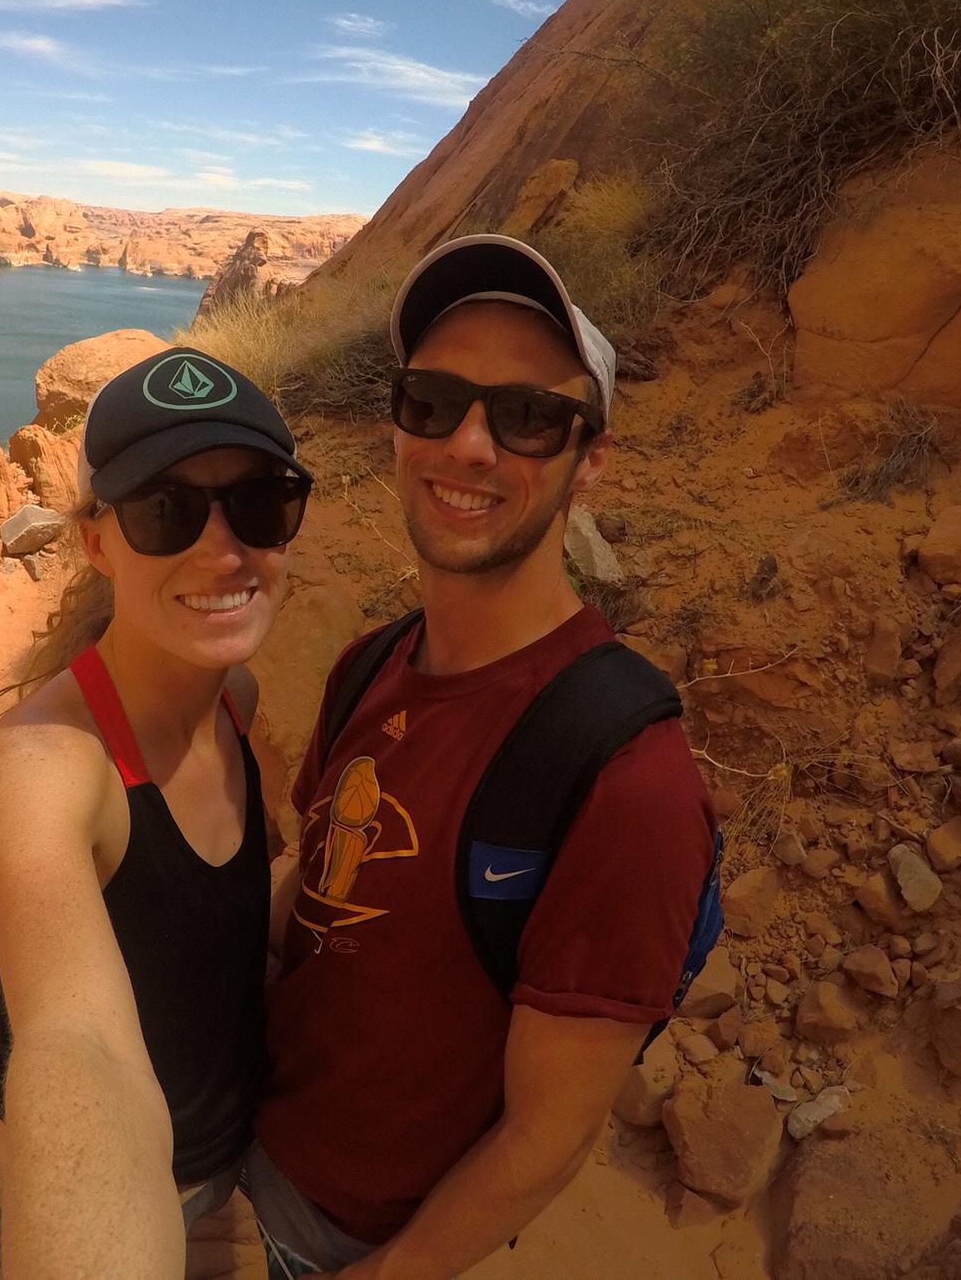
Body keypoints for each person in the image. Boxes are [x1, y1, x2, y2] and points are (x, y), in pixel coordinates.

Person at [246, 233, 719, 1279]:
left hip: (335, 1243)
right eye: (432, 401)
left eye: (525, 417)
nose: (467, 445)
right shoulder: (371, 663)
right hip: (236, 1145)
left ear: (587, 460)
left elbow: (545, 1138)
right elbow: (322, 888)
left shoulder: (624, 777)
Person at [0, 345, 315, 1278]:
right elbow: (79, 1052)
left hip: (226, 1172)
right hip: (153, 1204)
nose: (222, 547)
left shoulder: (231, 696)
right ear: (96, 541)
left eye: (258, 503)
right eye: (167, 511)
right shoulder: (44, 768)